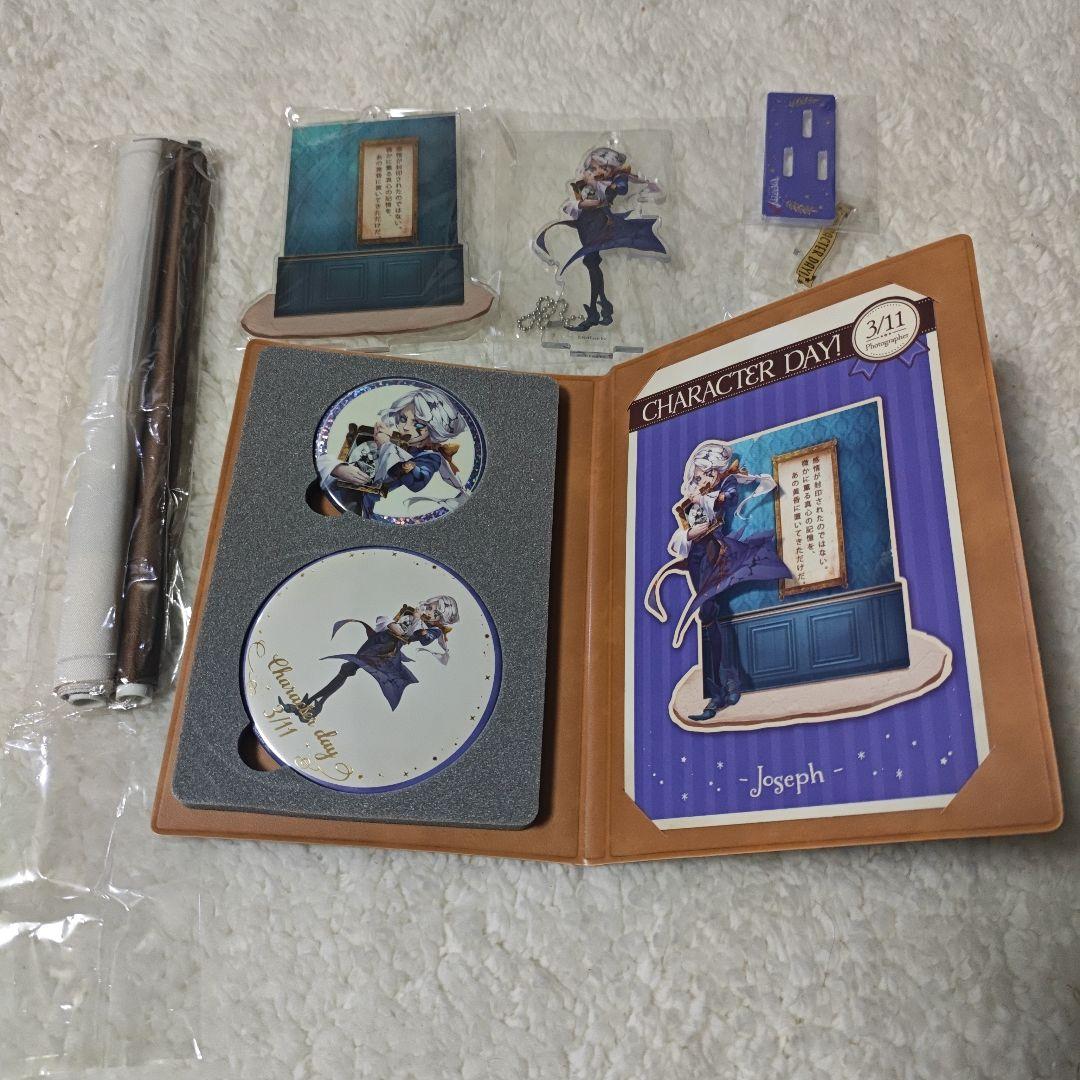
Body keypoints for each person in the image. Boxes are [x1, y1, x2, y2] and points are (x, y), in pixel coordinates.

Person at [645, 441, 791, 721]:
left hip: (716, 552)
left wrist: (705, 499)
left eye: (709, 472)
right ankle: (729, 683)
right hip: (696, 558)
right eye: (700, 472)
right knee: (710, 616)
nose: (703, 477)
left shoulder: (725, 486)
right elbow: (683, 533)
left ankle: (718, 692)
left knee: (707, 611)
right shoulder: (689, 498)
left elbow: (728, 499)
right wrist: (689, 532)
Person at [534, 146, 666, 332]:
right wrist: (583, 201)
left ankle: (595, 313)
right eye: (593, 168)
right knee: (591, 265)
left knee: (591, 263)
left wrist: (617, 186)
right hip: (585, 226)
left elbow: (624, 188)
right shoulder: (584, 186)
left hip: (599, 224)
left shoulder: (612, 184)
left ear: (612, 170)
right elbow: (575, 205)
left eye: (604, 168)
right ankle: (603, 308)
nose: (597, 172)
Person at [280, 595, 459, 720]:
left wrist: (416, 622)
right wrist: (393, 623)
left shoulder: (432, 630)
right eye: (430, 607)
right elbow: (392, 623)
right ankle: (313, 705)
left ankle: (312, 705)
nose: (429, 611)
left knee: (347, 668)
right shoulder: (411, 613)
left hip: (386, 651)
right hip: (377, 641)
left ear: (439, 619)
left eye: (435, 612)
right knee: (346, 669)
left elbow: (420, 638)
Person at [317, 387, 469, 517]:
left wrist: (386, 445)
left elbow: (416, 481)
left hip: (360, 506)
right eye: (403, 419)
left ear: (434, 428)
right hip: (331, 491)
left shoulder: (430, 457)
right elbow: (327, 455)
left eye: (418, 424)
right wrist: (338, 468)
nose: (406, 427)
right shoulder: (390, 437)